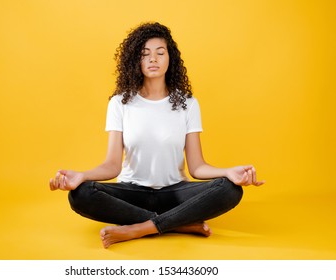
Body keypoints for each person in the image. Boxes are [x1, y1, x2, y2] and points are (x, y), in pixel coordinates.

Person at [49, 22, 265, 249]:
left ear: (169, 58)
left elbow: (197, 167)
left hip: (175, 193)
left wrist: (228, 172)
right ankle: (179, 224)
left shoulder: (187, 104)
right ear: (136, 61)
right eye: (145, 54)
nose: (153, 59)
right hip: (133, 192)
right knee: (80, 194)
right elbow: (112, 166)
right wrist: (80, 176)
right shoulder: (120, 103)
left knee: (230, 189)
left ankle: (140, 228)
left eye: (160, 53)